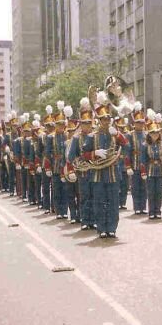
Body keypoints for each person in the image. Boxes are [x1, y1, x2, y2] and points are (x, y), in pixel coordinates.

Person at [81, 92, 129, 238]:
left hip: (113, 173)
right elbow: (84, 155)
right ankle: (102, 228)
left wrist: (119, 136)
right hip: (97, 175)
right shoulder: (91, 136)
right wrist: (95, 152)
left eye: (108, 118)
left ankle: (112, 228)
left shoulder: (116, 133)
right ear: (99, 120)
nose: (106, 121)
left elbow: (127, 149)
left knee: (113, 203)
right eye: (103, 119)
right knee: (99, 202)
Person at [67, 98, 96, 231]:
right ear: (80, 124)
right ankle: (85, 220)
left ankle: (94, 220)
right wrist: (77, 164)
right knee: (84, 196)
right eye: (84, 124)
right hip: (83, 172)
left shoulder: (96, 135)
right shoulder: (76, 138)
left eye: (89, 123)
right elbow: (71, 156)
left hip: (96, 171)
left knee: (95, 196)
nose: (87, 126)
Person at [140, 110, 162, 219]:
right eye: (152, 133)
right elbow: (143, 160)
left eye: (156, 133)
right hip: (150, 170)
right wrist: (143, 172)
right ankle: (151, 212)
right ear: (149, 134)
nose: (154, 135)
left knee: (159, 192)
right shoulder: (145, 145)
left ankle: (158, 211)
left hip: (160, 171)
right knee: (151, 192)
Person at [127, 103, 148, 215]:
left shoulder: (147, 134)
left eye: (142, 122)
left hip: (144, 165)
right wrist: (128, 166)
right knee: (135, 187)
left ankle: (143, 206)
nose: (140, 124)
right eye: (138, 122)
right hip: (134, 164)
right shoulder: (130, 135)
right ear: (134, 123)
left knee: (144, 187)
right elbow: (127, 152)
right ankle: (136, 207)